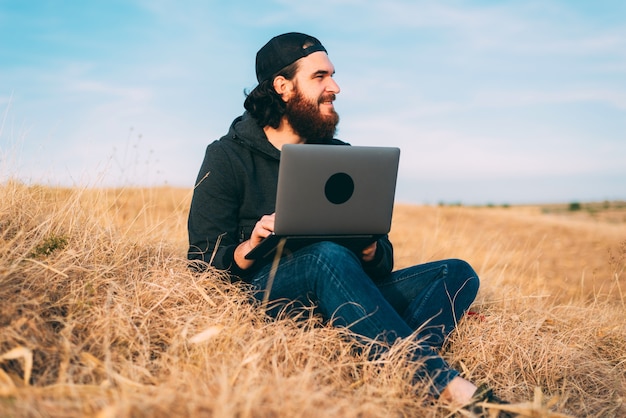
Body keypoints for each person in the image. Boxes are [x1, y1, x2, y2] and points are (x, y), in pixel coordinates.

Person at [187, 32, 510, 413]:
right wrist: (250, 245)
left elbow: (383, 258)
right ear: (282, 87)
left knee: (457, 274)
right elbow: (201, 261)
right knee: (326, 255)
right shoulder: (227, 155)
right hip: (268, 293)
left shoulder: (341, 156)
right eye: (320, 77)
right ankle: (445, 386)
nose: (335, 87)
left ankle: (379, 363)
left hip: (346, 287)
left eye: (333, 76)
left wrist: (371, 248)